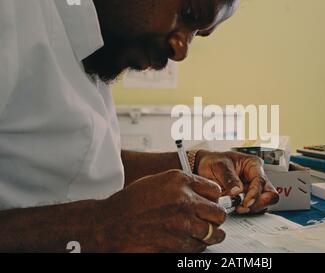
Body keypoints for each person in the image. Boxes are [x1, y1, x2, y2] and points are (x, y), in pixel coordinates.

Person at [0, 0, 278, 253]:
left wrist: (192, 164)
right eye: (189, 13)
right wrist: (99, 228)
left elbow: (72, 163)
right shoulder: (12, 16)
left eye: (197, 33)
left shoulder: (99, 42)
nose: (181, 50)